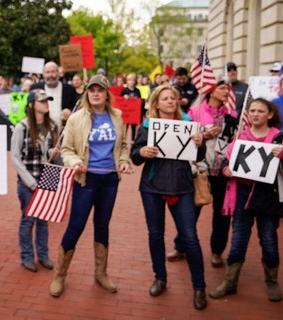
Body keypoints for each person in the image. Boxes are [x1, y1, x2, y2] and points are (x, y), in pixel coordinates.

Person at [49, 75, 132, 297]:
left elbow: (123, 146)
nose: (95, 93)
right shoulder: (77, 119)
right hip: (85, 180)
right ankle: (59, 275)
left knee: (102, 225)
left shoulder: (116, 116)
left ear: (107, 93)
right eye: (92, 90)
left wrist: (123, 161)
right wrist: (75, 163)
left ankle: (101, 272)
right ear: (87, 93)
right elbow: (67, 149)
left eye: (100, 90)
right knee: (76, 226)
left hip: (110, 180)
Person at [130, 85, 208, 310]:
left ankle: (199, 286)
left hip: (182, 187)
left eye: (172, 98)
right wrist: (142, 152)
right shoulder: (147, 126)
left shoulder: (188, 125)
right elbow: (135, 156)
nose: (170, 101)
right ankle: (160, 277)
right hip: (152, 187)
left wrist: (200, 143)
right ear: (156, 103)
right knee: (155, 234)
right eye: (164, 98)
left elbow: (198, 156)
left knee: (190, 237)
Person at [210, 98, 283, 302]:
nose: (255, 114)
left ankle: (272, 281)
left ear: (270, 114)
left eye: (260, 111)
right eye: (252, 110)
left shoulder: (279, 138)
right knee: (239, 239)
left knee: (268, 239)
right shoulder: (241, 136)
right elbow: (228, 159)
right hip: (242, 193)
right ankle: (230, 281)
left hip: (267, 197)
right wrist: (226, 168)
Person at [168, 80, 238, 267]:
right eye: (222, 88)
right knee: (191, 211)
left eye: (228, 89)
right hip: (200, 169)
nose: (226, 91)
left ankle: (217, 251)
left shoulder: (232, 114)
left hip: (224, 171)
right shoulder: (195, 111)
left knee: (222, 215)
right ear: (211, 90)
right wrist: (203, 136)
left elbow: (238, 141)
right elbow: (185, 139)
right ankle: (181, 245)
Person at [11, 89, 59, 273]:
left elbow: (52, 154)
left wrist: (53, 154)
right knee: (28, 219)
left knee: (43, 220)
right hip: (27, 182)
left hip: (48, 178)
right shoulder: (21, 127)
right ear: (31, 104)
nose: (46, 103)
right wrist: (31, 182)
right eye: (41, 101)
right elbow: (15, 157)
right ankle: (27, 257)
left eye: (47, 100)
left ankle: (43, 255)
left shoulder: (53, 127)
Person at [30, 61, 77, 128]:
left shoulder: (69, 89)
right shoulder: (36, 88)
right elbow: (29, 107)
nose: (50, 75)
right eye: (48, 72)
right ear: (43, 74)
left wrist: (70, 111)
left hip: (64, 130)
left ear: (58, 73)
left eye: (53, 71)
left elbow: (76, 107)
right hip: (41, 129)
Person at [120, 73, 143, 142]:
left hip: (133, 112)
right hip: (126, 112)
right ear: (126, 81)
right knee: (125, 125)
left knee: (133, 126)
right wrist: (124, 98)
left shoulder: (137, 91)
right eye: (129, 80)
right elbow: (119, 102)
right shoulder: (124, 91)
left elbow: (140, 101)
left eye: (133, 80)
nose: (131, 82)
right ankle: (123, 138)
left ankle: (133, 139)